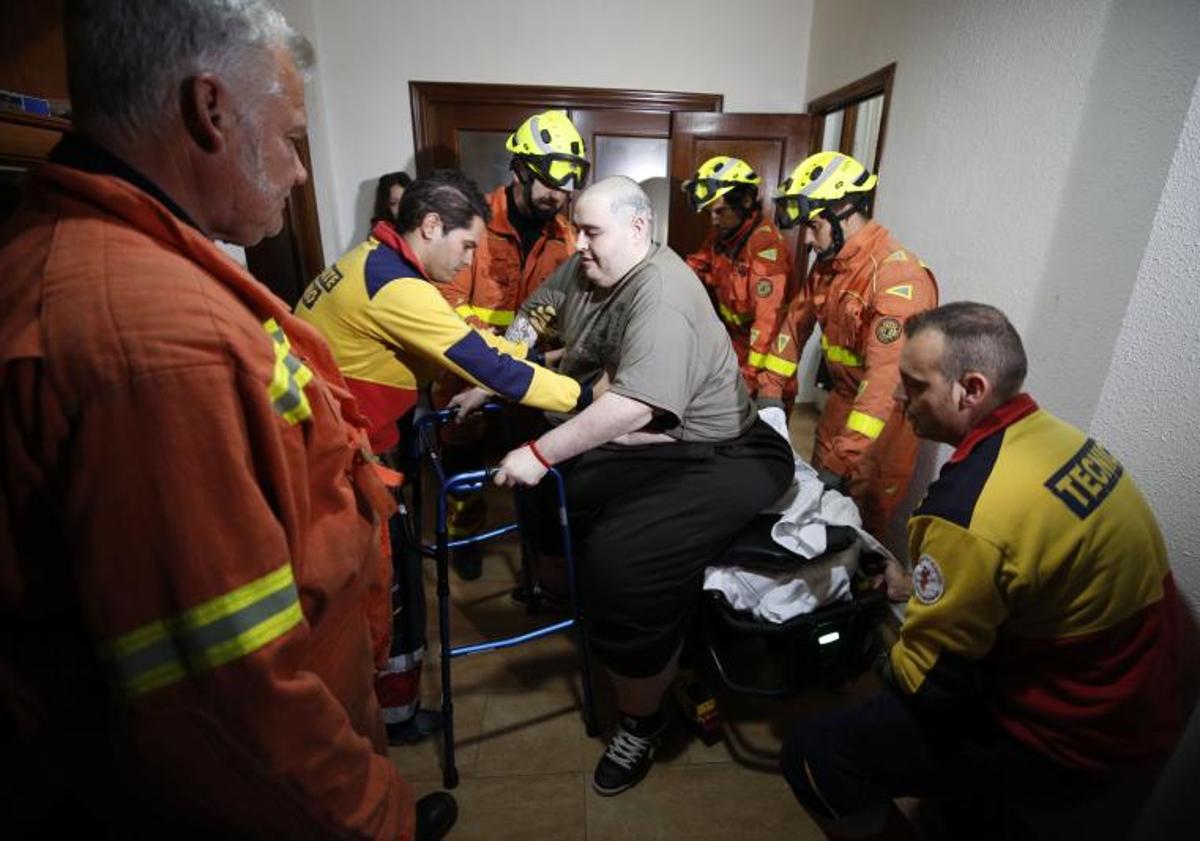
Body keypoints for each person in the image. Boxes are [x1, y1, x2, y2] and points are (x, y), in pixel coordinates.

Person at [0, 1, 453, 838]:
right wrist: (377, 816)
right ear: (210, 112)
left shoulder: (113, 262)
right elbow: (223, 699)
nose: (299, 171)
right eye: (287, 138)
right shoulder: (154, 341)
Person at [780, 303, 1186, 840]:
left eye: (914, 384)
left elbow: (926, 685)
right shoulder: (1061, 439)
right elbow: (1020, 572)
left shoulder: (968, 508)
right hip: (1155, 690)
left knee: (816, 753)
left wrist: (869, 656)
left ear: (970, 389)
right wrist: (922, 586)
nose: (899, 398)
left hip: (1076, 740)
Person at [487, 176, 794, 796]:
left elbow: (630, 405)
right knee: (558, 484)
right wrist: (493, 373)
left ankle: (642, 721)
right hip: (660, 437)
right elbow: (537, 315)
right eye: (576, 230)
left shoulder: (662, 293)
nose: (578, 245)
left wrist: (539, 451)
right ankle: (564, 594)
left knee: (623, 558)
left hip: (725, 450)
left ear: (638, 229)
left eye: (592, 232)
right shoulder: (590, 266)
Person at [294, 168, 594, 745]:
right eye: (465, 246)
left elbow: (471, 342)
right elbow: (491, 367)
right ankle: (389, 719)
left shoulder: (370, 262)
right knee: (389, 583)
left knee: (392, 576)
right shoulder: (397, 287)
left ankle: (384, 710)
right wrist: (583, 396)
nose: (466, 261)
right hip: (345, 456)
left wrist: (538, 358)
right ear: (431, 226)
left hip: (344, 440)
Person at [436, 109, 589, 580]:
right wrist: (490, 361)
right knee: (462, 456)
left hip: (531, 370)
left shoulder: (565, 237)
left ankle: (540, 552)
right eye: (549, 184)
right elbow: (447, 301)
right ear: (520, 169)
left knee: (537, 458)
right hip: (468, 367)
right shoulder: (475, 222)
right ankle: (465, 538)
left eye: (567, 187)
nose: (559, 196)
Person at [763, 152, 938, 538]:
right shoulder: (829, 265)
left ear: (844, 211)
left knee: (861, 524)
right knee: (818, 514)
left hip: (881, 423)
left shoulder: (895, 278)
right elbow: (794, 326)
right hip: (841, 406)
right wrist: (770, 393)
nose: (806, 240)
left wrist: (844, 458)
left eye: (812, 226)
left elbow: (884, 383)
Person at [682, 155, 794, 409]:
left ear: (745, 201)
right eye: (710, 212)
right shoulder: (722, 236)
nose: (713, 220)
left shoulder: (765, 248)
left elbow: (767, 323)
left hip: (763, 362)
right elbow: (694, 268)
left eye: (721, 211)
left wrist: (751, 379)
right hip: (732, 352)